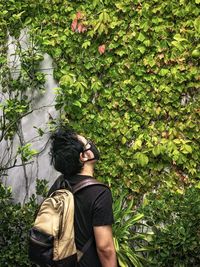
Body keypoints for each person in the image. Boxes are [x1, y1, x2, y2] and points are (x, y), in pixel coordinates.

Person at [49, 127, 118, 267]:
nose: (92, 144)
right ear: (84, 156)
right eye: (88, 143)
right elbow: (105, 248)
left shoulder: (58, 185)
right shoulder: (99, 193)